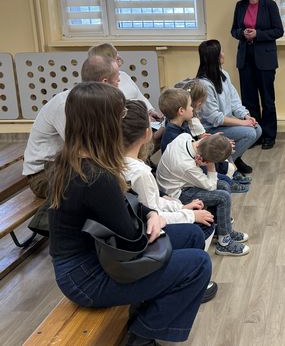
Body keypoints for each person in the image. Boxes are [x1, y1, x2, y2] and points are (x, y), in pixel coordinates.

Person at [47, 82, 212, 345]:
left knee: (192, 235)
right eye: (121, 112)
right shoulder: (95, 176)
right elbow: (132, 241)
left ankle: (154, 304)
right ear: (105, 122)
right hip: (87, 277)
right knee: (199, 264)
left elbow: (129, 204)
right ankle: (141, 337)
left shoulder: (73, 159)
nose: (123, 118)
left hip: (96, 258)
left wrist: (151, 213)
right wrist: (153, 217)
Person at [121, 99, 218, 303]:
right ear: (146, 134)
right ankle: (189, 280)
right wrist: (191, 215)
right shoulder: (140, 173)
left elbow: (150, 202)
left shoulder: (121, 161)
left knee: (194, 219)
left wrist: (180, 206)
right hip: (145, 233)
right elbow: (154, 216)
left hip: (138, 224)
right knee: (203, 227)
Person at [23, 55, 120, 198]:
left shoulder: (91, 101)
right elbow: (82, 149)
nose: (119, 81)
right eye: (117, 78)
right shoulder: (66, 105)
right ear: (105, 82)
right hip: (44, 174)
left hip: (67, 166)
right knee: (100, 186)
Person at [156, 132, 250, 257]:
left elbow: (206, 145)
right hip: (175, 193)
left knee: (224, 185)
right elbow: (211, 186)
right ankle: (224, 243)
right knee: (223, 197)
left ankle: (223, 228)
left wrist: (213, 144)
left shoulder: (183, 137)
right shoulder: (187, 166)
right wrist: (211, 166)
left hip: (176, 182)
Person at [158, 87, 249, 193]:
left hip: (195, 164)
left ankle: (231, 173)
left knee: (221, 145)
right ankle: (230, 178)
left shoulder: (181, 125)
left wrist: (211, 140)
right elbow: (184, 164)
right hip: (187, 175)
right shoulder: (172, 136)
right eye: (190, 105)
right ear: (181, 111)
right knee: (224, 181)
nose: (192, 108)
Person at [231, 0, 284, 150]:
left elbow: (279, 31)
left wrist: (258, 34)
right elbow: (234, 30)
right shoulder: (240, 6)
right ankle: (255, 134)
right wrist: (242, 33)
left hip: (265, 59)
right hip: (245, 58)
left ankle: (269, 135)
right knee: (249, 100)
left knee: (267, 100)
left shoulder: (269, 5)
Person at [196, 39, 262, 175]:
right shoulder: (204, 84)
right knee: (249, 132)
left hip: (224, 124)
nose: (223, 54)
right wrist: (243, 123)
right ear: (215, 57)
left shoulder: (224, 74)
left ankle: (233, 160)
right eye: (221, 51)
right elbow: (215, 118)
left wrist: (246, 116)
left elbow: (234, 101)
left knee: (257, 129)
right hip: (211, 128)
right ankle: (224, 166)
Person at [88, 43, 163, 122]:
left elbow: (139, 95)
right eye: (114, 55)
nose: (119, 57)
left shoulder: (124, 75)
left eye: (117, 53)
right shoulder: (101, 87)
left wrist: (150, 110)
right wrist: (143, 118)